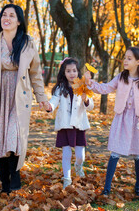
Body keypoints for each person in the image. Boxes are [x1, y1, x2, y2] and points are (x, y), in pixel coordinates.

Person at [0, 4, 50, 194]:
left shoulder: (28, 42)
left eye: (12, 16)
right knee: (0, 141)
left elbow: (36, 74)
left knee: (13, 138)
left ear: (19, 21)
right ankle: (5, 185)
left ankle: (15, 180)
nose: (7, 18)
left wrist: (42, 98)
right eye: (4, 15)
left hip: (19, 97)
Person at [85, 47, 139, 196]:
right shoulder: (121, 77)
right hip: (121, 118)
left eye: (129, 58)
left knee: (137, 153)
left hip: (137, 121)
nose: (125, 60)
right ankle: (107, 187)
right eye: (125, 57)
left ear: (138, 61)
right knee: (115, 151)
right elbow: (105, 88)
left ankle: (138, 185)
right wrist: (90, 83)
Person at [45, 57, 94, 189]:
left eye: (74, 70)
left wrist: (86, 100)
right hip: (65, 125)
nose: (72, 73)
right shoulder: (60, 88)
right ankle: (67, 178)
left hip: (78, 125)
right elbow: (55, 100)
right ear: (64, 73)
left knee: (80, 156)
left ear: (78, 72)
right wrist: (49, 106)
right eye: (68, 71)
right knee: (66, 154)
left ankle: (78, 166)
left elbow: (90, 106)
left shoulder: (83, 86)